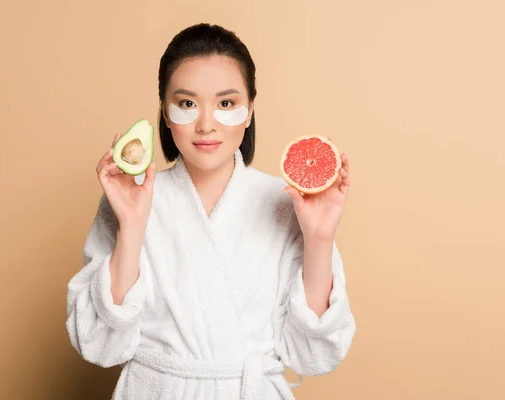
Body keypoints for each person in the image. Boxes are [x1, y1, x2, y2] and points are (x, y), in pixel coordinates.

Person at [66, 23, 356, 400]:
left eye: (226, 103)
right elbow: (99, 344)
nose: (206, 124)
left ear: (250, 110)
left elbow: (313, 354)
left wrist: (319, 238)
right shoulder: (128, 201)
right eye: (186, 103)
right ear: (165, 114)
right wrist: (134, 226)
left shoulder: (287, 204)